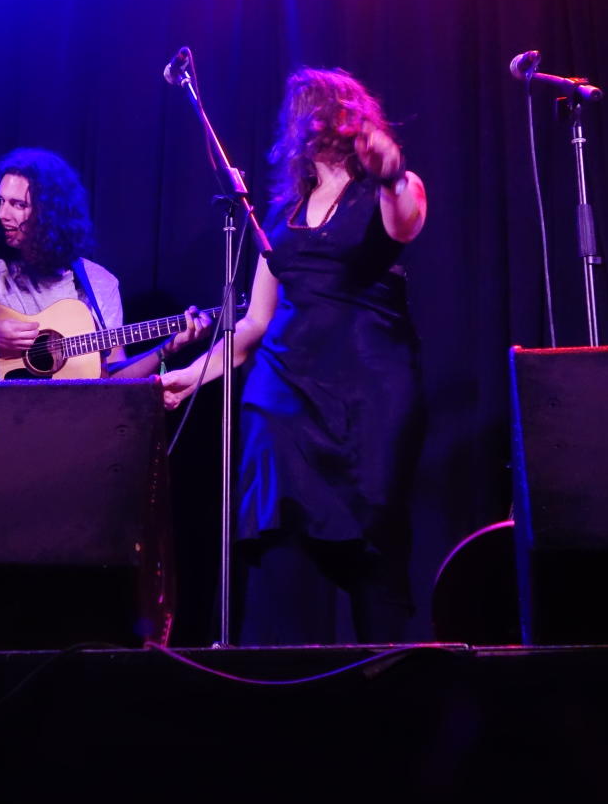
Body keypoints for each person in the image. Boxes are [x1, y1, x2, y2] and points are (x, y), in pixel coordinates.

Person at [159, 69, 428, 645]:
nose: (320, 122)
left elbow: (405, 222)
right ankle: (283, 673)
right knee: (280, 543)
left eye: (330, 109)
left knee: (373, 549)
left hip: (369, 397)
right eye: (308, 112)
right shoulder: (281, 218)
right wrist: (191, 375)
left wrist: (389, 174)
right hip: (283, 395)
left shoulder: (390, 189)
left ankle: (386, 675)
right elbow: (254, 324)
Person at [0, 148, 200, 376]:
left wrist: (166, 349)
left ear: (50, 214)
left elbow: (111, 380)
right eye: (1, 201)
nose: (2, 214)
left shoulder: (99, 284)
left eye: (18, 205)